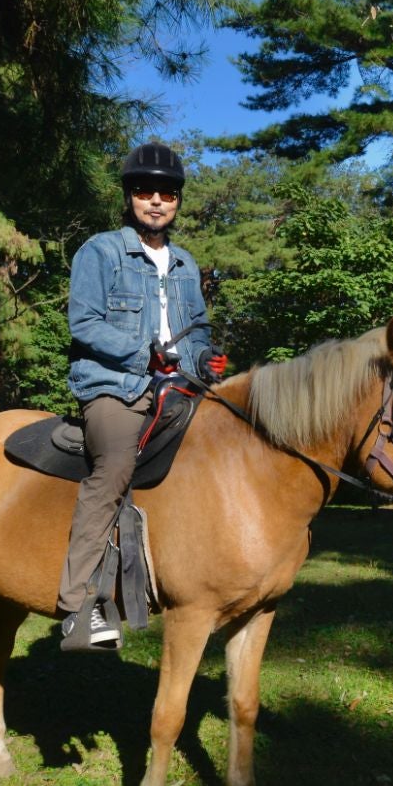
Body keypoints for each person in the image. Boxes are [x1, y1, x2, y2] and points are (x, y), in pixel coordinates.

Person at [58, 141, 227, 651]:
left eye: (167, 193)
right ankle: (77, 608)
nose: (156, 200)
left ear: (177, 201)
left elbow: (195, 332)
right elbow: (83, 323)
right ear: (129, 195)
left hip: (178, 387)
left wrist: (204, 361)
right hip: (115, 385)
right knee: (113, 467)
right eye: (144, 190)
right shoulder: (101, 250)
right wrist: (142, 355)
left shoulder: (185, 264)